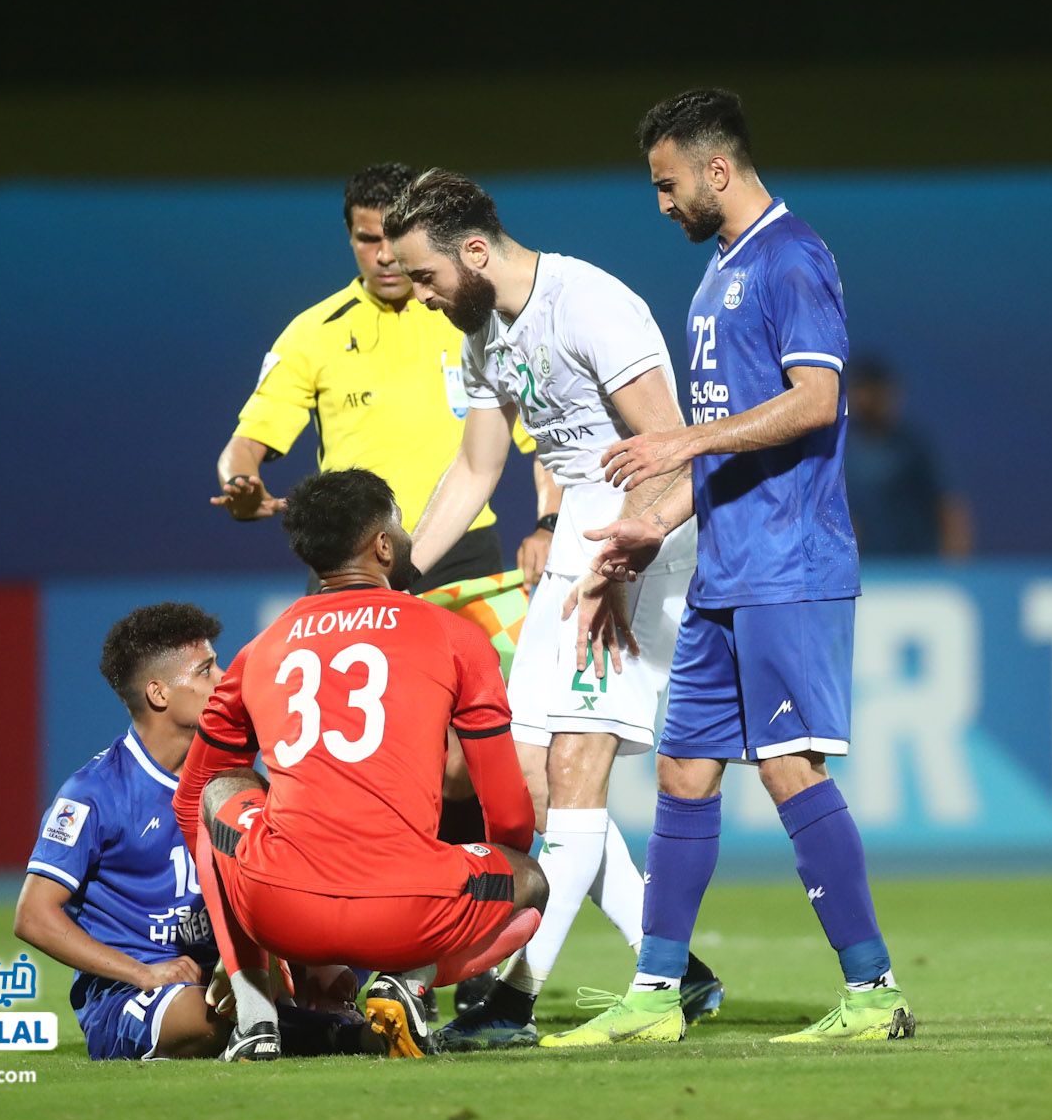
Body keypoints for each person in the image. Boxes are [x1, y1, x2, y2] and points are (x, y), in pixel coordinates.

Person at [548, 88, 914, 1046]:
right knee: (682, 768)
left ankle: (874, 993)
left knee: (788, 767)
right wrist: (656, 524)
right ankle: (657, 992)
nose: (661, 203)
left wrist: (681, 443)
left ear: (718, 170)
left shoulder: (794, 258)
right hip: (723, 564)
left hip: (790, 560)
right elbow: (726, 454)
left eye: (668, 184)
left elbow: (816, 402)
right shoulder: (718, 274)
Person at [382, 168, 724, 1049]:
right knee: (526, 781)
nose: (420, 297)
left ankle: (512, 998)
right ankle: (675, 966)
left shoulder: (589, 304)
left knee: (575, 770)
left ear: (473, 250)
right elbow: (473, 470)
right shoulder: (483, 334)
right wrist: (391, 581)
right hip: (579, 529)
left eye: (425, 277)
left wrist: (621, 556)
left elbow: (671, 452)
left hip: (637, 531)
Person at [172, 468, 548, 1061]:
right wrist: (495, 865)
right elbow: (504, 804)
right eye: (397, 523)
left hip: (282, 912)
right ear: (381, 545)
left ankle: (255, 1015)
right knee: (530, 882)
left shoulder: (260, 649)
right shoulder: (454, 637)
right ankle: (409, 983)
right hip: (410, 910)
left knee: (219, 790)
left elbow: (191, 799)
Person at [17, 603, 388, 1061]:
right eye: (206, 670)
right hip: (132, 993)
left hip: (224, 970)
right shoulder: (93, 792)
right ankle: (341, 1034)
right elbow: (33, 916)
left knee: (371, 920)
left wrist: (316, 962)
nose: (225, 677)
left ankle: (305, 1013)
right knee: (201, 1020)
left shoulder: (231, 775)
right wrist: (143, 973)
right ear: (159, 694)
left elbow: (275, 878)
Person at [210, 159, 554, 593]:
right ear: (350, 238)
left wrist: (549, 523)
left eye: (393, 239)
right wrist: (242, 485)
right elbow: (242, 448)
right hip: (352, 560)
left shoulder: (469, 320)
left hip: (463, 550)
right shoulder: (311, 334)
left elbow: (546, 436)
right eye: (368, 240)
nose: (385, 256)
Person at [843, 355, 972, 558]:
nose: (870, 401)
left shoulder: (911, 447)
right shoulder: (840, 449)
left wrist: (956, 564)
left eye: (878, 393)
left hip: (912, 568)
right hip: (864, 570)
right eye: (863, 391)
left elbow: (946, 506)